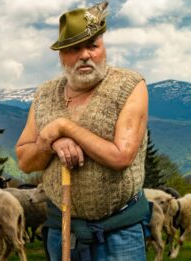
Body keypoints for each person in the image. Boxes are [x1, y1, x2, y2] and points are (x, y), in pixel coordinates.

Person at [15, 1, 150, 261]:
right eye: (74, 48)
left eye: (92, 46)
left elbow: (121, 157)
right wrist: (50, 142)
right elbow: (24, 160)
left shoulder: (129, 85)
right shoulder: (45, 94)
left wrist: (64, 127)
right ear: (61, 55)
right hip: (62, 232)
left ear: (103, 48)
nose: (85, 55)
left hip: (118, 234)